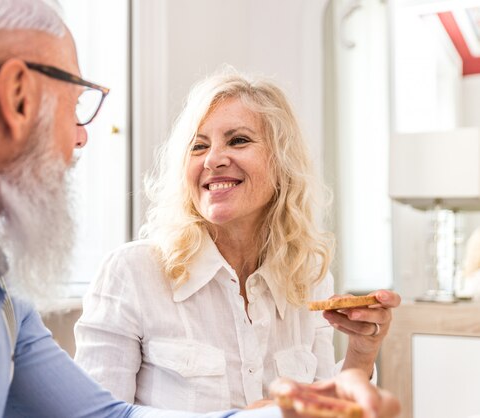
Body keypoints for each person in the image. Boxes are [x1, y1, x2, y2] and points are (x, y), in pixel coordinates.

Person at [0, 0, 399, 417]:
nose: (81, 137)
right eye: (75, 103)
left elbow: (103, 415)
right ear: (18, 95)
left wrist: (296, 409)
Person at [74, 69, 402, 411]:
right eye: (198, 146)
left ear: (282, 162)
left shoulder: (309, 278)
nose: (213, 159)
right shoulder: (132, 273)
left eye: (238, 140)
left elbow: (323, 412)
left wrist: (361, 357)